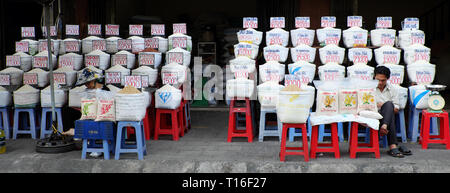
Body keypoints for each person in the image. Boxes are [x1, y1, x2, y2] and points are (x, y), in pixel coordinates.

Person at [62, 68, 109, 157]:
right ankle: (72, 131)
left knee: (91, 120)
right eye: (85, 84)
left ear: (94, 80)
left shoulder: (105, 90)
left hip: (100, 115)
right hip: (88, 113)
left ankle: (79, 134)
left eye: (88, 83)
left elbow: (106, 106)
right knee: (66, 110)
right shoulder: (87, 91)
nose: (87, 85)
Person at [374, 66, 412, 158]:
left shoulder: (393, 89)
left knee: (389, 105)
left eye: (382, 80)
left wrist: (385, 106)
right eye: (377, 80)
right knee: (389, 108)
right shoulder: (369, 88)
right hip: (373, 116)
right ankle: (393, 146)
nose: (380, 82)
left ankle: (384, 126)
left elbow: (396, 107)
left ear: (387, 79)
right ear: (374, 77)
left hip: (385, 117)